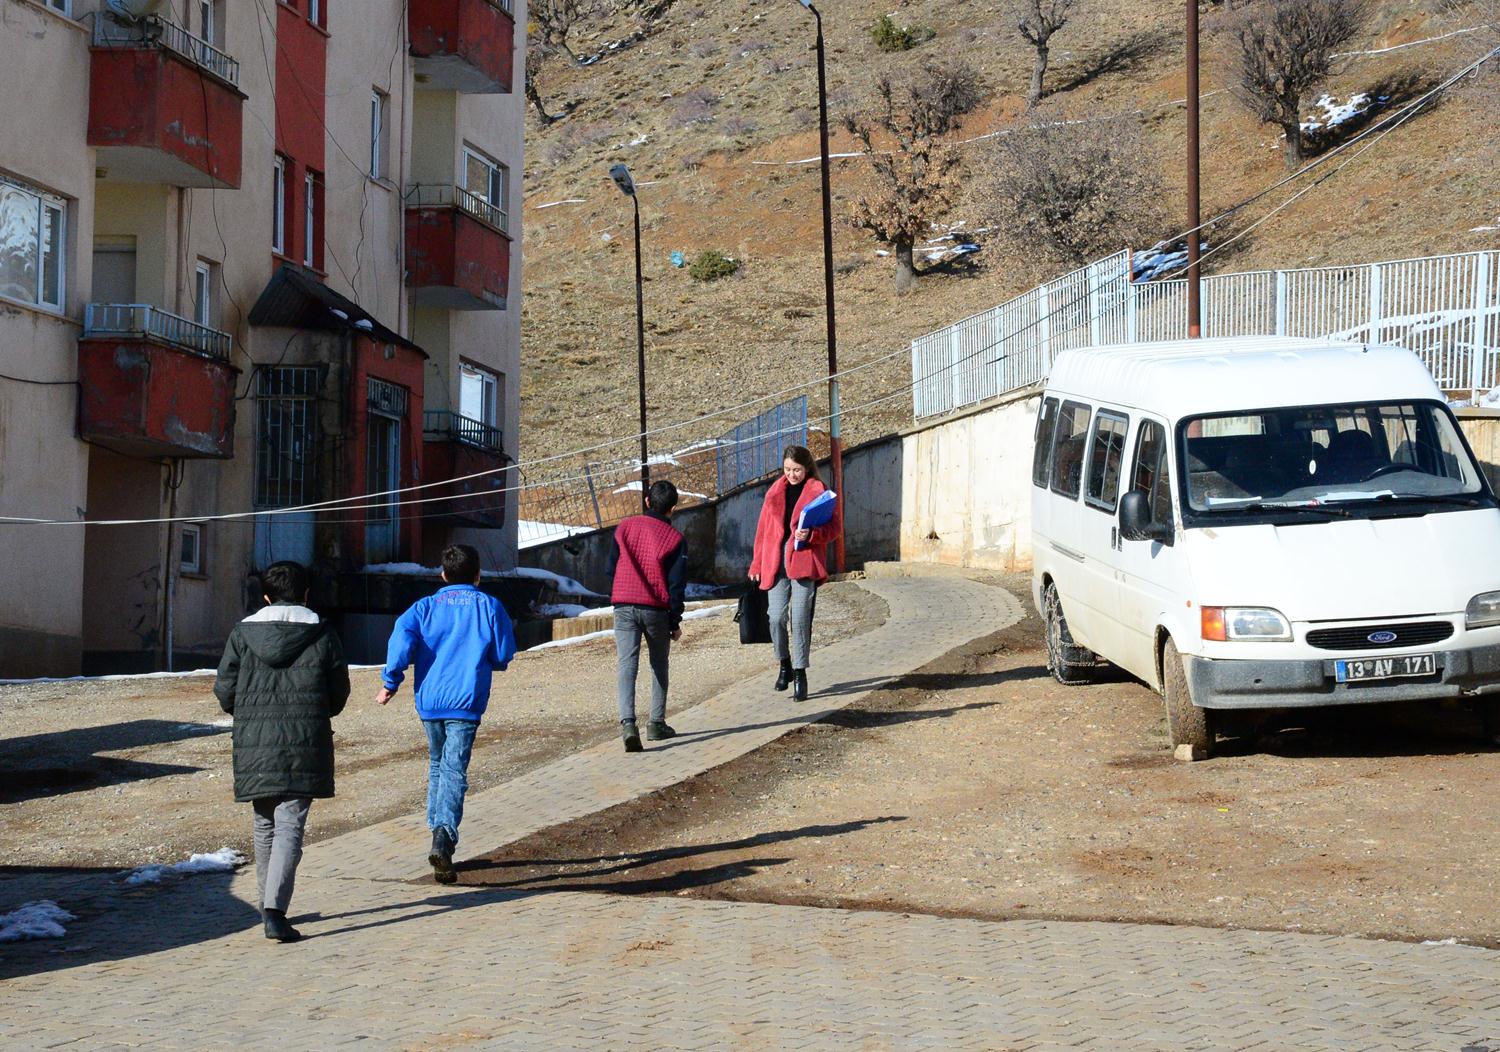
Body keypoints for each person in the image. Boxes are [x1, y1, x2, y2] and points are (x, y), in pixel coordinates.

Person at [214, 561, 350, 943]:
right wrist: (317, 711)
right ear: (305, 595)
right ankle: (274, 911)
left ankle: (267, 906)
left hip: (254, 741)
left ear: (266, 597)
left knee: (264, 821)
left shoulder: (242, 634)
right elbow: (338, 692)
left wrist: (249, 715)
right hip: (306, 739)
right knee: (290, 822)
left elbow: (225, 690)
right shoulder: (322, 633)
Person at [377, 544, 516, 884]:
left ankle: (436, 830)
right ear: (478, 575)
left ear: (442, 575)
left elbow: (401, 639)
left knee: (438, 764)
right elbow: (503, 654)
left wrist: (391, 681)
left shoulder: (423, 607)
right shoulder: (489, 606)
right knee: (453, 768)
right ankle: (444, 835)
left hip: (430, 700)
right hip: (466, 701)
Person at [748, 445, 841, 701]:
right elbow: (762, 531)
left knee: (799, 619)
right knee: (775, 618)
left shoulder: (819, 491)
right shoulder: (774, 491)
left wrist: (811, 534)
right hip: (775, 563)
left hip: (804, 561)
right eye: (787, 469)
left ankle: (800, 673)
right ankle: (784, 664)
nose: (792, 474)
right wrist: (756, 563)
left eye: (797, 470)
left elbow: (835, 528)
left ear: (807, 467)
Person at [608, 479, 688, 752]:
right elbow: (676, 585)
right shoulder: (675, 539)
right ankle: (656, 723)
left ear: (647, 501)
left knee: (626, 664)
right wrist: (674, 620)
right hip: (655, 608)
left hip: (623, 604)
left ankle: (628, 724)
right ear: (673, 508)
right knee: (659, 663)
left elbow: (610, 568)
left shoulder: (624, 527)